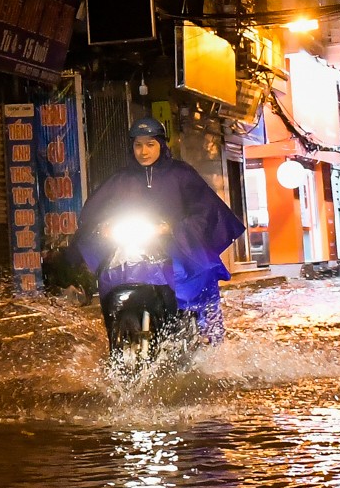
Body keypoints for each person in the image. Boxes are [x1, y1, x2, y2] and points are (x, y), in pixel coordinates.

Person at [71, 117, 244, 344]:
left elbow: (206, 212)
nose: (143, 151)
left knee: (189, 282)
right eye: (138, 145)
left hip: (177, 249)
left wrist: (173, 228)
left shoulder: (182, 174)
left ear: (162, 145)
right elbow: (95, 213)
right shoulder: (120, 179)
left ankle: (193, 334)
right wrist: (104, 227)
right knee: (109, 278)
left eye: (150, 144)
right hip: (132, 250)